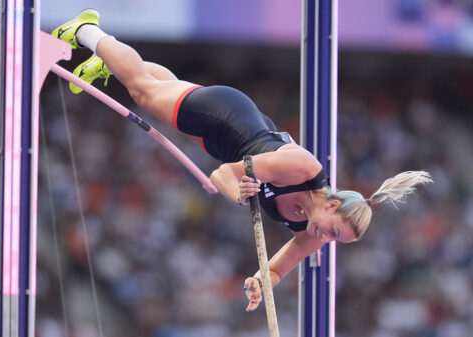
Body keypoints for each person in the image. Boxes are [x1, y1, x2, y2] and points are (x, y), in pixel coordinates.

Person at [51, 9, 433, 312]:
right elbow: (223, 176)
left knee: (159, 90)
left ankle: (109, 62)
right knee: (145, 94)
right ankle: (90, 32)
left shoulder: (313, 230)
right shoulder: (302, 168)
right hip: (227, 116)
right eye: (332, 231)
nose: (324, 240)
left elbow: (279, 268)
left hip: (226, 141)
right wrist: (237, 192)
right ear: (332, 204)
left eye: (335, 241)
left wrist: (259, 282)